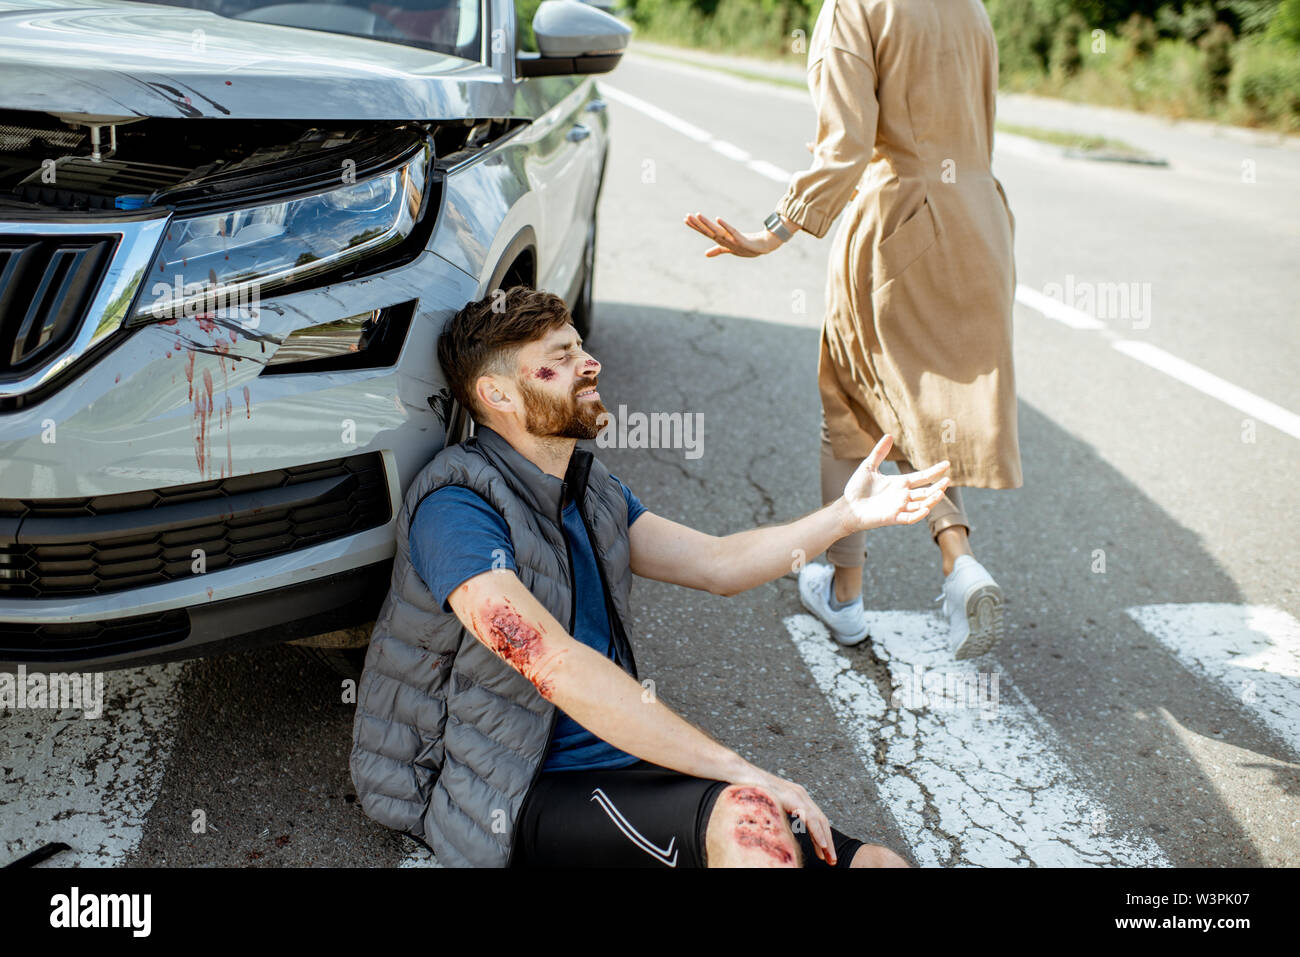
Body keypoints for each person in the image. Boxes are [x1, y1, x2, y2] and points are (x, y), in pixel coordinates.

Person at [350, 286, 951, 867]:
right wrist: (739, 768)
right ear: (498, 395)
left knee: (871, 860)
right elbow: (549, 660)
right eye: (559, 360)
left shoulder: (591, 490)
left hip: (623, 756)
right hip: (512, 787)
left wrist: (847, 514)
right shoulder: (456, 507)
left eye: (580, 348)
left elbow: (718, 564)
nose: (590, 364)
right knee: (752, 825)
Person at [685, 0, 1021, 659]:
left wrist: (771, 232)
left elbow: (845, 148)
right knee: (907, 400)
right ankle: (956, 560)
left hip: (900, 216)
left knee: (851, 398)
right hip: (980, 220)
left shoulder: (854, 7)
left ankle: (847, 592)